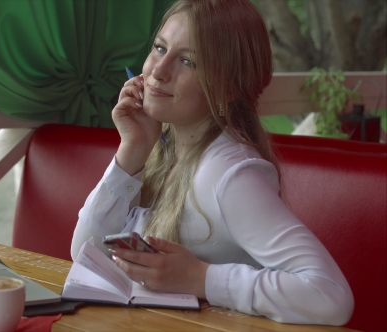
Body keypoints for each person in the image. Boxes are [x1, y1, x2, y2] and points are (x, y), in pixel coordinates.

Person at [70, 0, 353, 326]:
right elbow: (85, 253)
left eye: (188, 61)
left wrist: (202, 279)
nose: (158, 72)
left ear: (229, 86)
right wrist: (132, 148)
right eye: (160, 48)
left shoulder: (231, 175)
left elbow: (330, 295)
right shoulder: (160, 147)